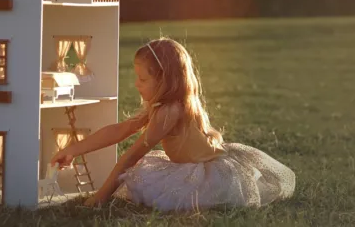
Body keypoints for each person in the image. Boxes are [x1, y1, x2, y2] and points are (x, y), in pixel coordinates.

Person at [50, 37, 296, 212]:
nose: (137, 84)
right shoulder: (165, 106)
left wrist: (99, 199)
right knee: (144, 176)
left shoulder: (170, 112)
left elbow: (131, 156)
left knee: (143, 176)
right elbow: (120, 130)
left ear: (165, 80)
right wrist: (72, 150)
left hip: (210, 175)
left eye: (143, 78)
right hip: (188, 165)